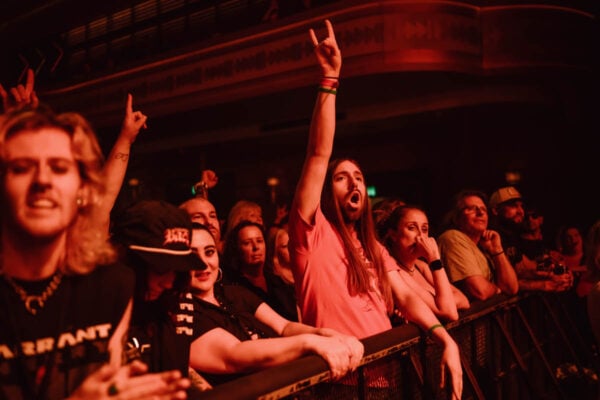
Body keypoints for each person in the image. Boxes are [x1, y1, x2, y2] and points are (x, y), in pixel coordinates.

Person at [288, 19, 462, 398]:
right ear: (326, 190)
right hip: (345, 384)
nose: (353, 183)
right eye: (341, 177)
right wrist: (330, 79)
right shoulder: (311, 233)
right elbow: (318, 153)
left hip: (389, 374)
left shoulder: (373, 247)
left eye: (358, 177)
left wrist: (444, 339)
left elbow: (407, 298)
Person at [0, 105, 189, 399]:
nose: (42, 180)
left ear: (84, 189)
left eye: (59, 168)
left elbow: (109, 387)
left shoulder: (112, 285)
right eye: (22, 168)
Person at [188, 224, 363, 386]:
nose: (203, 263)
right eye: (192, 256)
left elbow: (284, 327)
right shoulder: (182, 311)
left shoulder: (233, 293)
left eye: (209, 252)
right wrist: (309, 342)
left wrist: (328, 334)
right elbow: (233, 355)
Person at [110, 200, 210, 396]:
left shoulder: (172, 305)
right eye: (160, 269)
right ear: (128, 262)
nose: (169, 283)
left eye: (177, 270)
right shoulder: (99, 313)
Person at [377, 204, 470, 321]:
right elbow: (450, 313)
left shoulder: (420, 266)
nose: (420, 236)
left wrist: (436, 304)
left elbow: (464, 301)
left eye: (424, 229)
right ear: (393, 234)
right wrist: (434, 259)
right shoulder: (395, 270)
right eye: (411, 228)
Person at [437, 189, 519, 301]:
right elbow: (479, 291)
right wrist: (497, 289)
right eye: (471, 209)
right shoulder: (452, 238)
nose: (480, 213)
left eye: (483, 209)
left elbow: (511, 288)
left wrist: (497, 250)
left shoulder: (483, 245)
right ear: (456, 217)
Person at [489, 187, 573, 293]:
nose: (521, 211)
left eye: (521, 206)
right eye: (513, 206)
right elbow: (505, 283)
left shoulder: (509, 237)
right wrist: (545, 284)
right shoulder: (490, 238)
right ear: (496, 210)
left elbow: (523, 268)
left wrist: (558, 272)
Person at [222, 220, 298, 321]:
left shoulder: (278, 282)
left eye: (259, 241)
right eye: (247, 243)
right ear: (237, 249)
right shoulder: (235, 288)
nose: (256, 247)